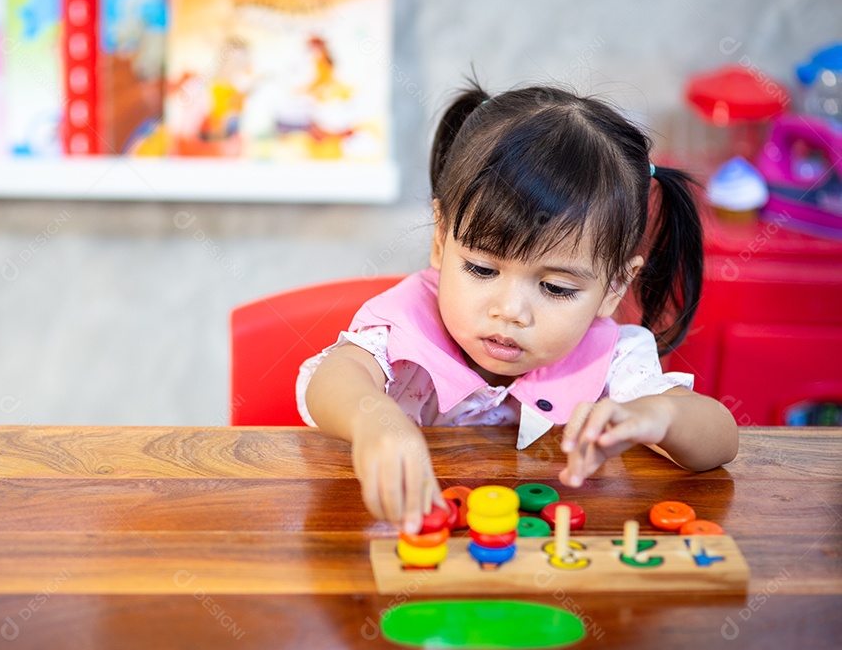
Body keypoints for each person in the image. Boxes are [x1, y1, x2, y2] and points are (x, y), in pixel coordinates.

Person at [297, 82, 739, 534]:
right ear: (441, 241)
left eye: (555, 288)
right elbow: (335, 377)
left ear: (614, 287)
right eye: (482, 269)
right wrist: (374, 421)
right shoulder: (405, 323)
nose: (510, 311)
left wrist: (655, 417)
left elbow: (721, 439)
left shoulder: (612, 356)